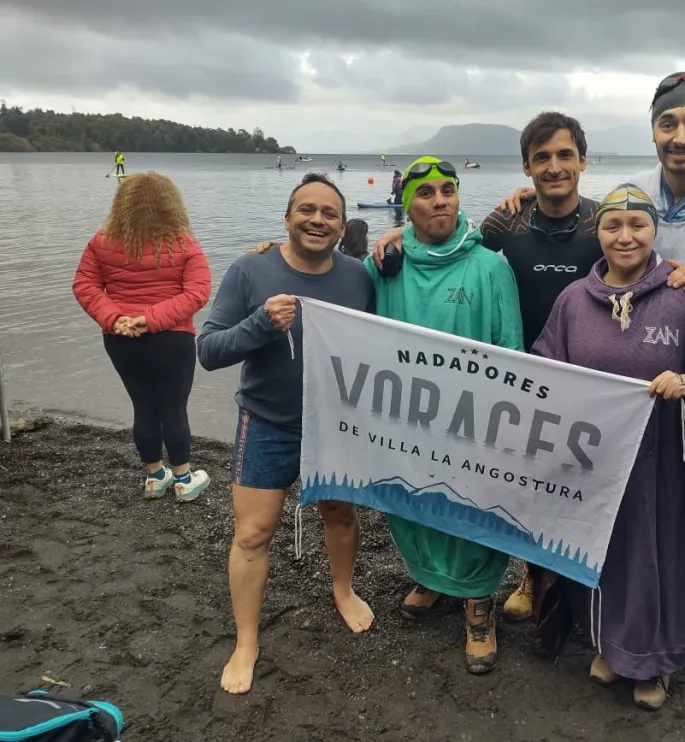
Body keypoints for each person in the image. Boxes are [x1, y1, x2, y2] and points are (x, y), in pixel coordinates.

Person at [496, 71, 685, 707]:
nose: (681, 135)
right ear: (654, 130)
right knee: (628, 517)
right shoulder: (639, 199)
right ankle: (619, 631)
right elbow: (590, 215)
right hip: (629, 401)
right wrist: (523, 198)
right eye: (668, 123)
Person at [374, 111, 603, 623]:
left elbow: (642, 264)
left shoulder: (604, 221)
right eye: (542, 157)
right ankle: (503, 577)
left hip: (579, 376)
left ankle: (551, 581)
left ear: (583, 161)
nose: (554, 166)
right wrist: (395, 236)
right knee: (481, 485)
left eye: (564, 155)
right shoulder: (506, 223)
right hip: (511, 373)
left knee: (558, 490)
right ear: (526, 167)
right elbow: (459, 245)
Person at [531, 183, 685, 711]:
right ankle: (613, 645)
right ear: (598, 232)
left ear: (654, 231)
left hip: (669, 460)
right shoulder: (573, 301)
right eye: (613, 225)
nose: (625, 237)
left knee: (665, 556)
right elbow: (544, 367)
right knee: (608, 553)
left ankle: (659, 660)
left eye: (637, 225)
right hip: (599, 462)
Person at [197, 173, 377, 695]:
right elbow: (207, 352)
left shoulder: (359, 277)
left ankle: (343, 590)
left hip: (335, 424)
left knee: (339, 513)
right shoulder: (250, 269)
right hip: (266, 421)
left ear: (343, 226)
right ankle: (246, 641)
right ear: (287, 218)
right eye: (307, 210)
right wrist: (259, 324)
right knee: (253, 534)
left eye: (329, 213)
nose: (317, 220)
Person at [365, 156, 524, 675]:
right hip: (406, 416)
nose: (439, 201)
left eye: (447, 191)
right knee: (413, 500)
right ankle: (431, 578)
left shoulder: (490, 266)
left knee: (474, 507)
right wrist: (272, 257)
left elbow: (511, 349)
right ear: (406, 204)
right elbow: (331, 294)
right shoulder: (384, 264)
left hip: (472, 418)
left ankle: (479, 606)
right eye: (426, 193)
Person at [72, 172, 212, 502]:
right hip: (172, 338)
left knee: (143, 405)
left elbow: (85, 286)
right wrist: (150, 320)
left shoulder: (101, 241)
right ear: (171, 205)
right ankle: (183, 479)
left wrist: (115, 318)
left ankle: (155, 476)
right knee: (173, 408)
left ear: (122, 205)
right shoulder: (184, 243)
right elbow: (197, 293)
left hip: (121, 339)